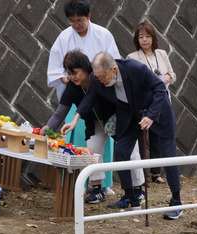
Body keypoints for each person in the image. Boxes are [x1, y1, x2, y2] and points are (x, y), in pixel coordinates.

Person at [61, 51, 182, 219]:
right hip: (131, 116)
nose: (100, 81)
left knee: (168, 156)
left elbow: (160, 88)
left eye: (103, 77)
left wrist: (151, 116)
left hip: (158, 111)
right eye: (97, 77)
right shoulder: (98, 78)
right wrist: (75, 120)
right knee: (121, 152)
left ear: (114, 69)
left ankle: (176, 201)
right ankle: (133, 199)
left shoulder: (135, 68)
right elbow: (89, 98)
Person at [42, 50, 145, 205]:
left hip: (119, 119)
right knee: (92, 151)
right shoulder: (72, 87)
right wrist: (46, 129)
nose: (72, 77)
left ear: (85, 68)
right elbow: (59, 113)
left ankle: (138, 189)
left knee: (131, 151)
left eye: (75, 72)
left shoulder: (100, 78)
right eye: (69, 73)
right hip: (95, 124)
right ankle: (97, 190)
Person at [47, 0, 121, 195]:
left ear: (88, 16)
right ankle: (81, 182)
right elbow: (56, 69)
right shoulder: (64, 38)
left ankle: (106, 184)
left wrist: (96, 80)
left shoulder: (103, 34)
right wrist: (71, 80)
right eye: (72, 21)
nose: (76, 25)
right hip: (77, 96)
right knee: (84, 140)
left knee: (106, 142)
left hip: (103, 95)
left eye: (79, 20)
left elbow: (114, 63)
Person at [127, 20, 177, 184]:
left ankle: (156, 173)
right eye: (141, 37)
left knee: (157, 138)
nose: (144, 40)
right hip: (144, 104)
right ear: (137, 39)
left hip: (163, 102)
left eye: (148, 36)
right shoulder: (132, 58)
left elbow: (172, 74)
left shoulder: (162, 53)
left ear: (153, 37)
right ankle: (142, 174)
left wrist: (168, 77)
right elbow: (132, 82)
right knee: (141, 138)